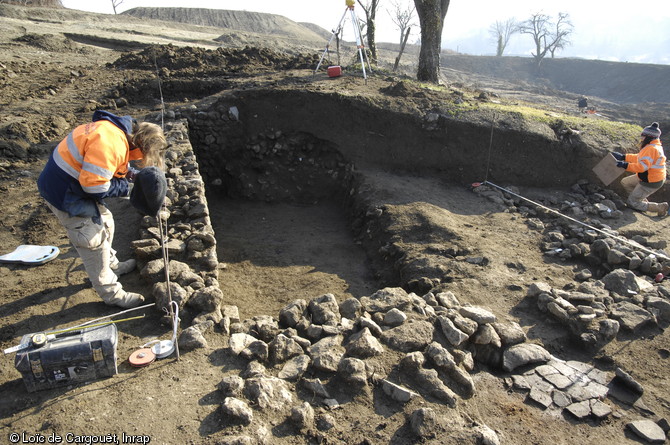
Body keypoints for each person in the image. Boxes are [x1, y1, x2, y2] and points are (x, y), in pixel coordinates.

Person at [37, 110, 167, 308]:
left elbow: (104, 166)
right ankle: (112, 294)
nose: (141, 159)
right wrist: (128, 187)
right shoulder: (111, 143)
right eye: (146, 155)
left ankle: (113, 264)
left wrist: (130, 174)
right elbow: (96, 187)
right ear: (142, 146)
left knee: (107, 220)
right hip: (65, 193)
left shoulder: (116, 132)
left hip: (72, 182)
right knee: (92, 240)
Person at [612, 122, 668, 217]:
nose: (641, 138)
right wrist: (624, 157)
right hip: (648, 177)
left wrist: (625, 165)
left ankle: (659, 207)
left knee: (632, 203)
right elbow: (639, 157)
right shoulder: (652, 145)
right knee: (625, 182)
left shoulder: (651, 148)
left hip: (651, 181)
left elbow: (642, 167)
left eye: (643, 136)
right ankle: (638, 200)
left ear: (649, 137)